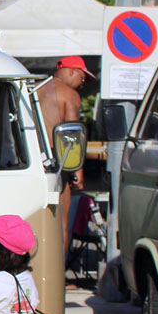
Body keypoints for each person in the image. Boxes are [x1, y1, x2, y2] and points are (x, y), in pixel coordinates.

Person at [35, 56, 93, 250]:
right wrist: (77, 170)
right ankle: (58, 274)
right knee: (61, 222)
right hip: (57, 164)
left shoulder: (30, 89)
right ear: (71, 71)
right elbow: (71, 136)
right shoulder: (69, 95)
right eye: (82, 79)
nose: (82, 85)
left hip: (29, 162)